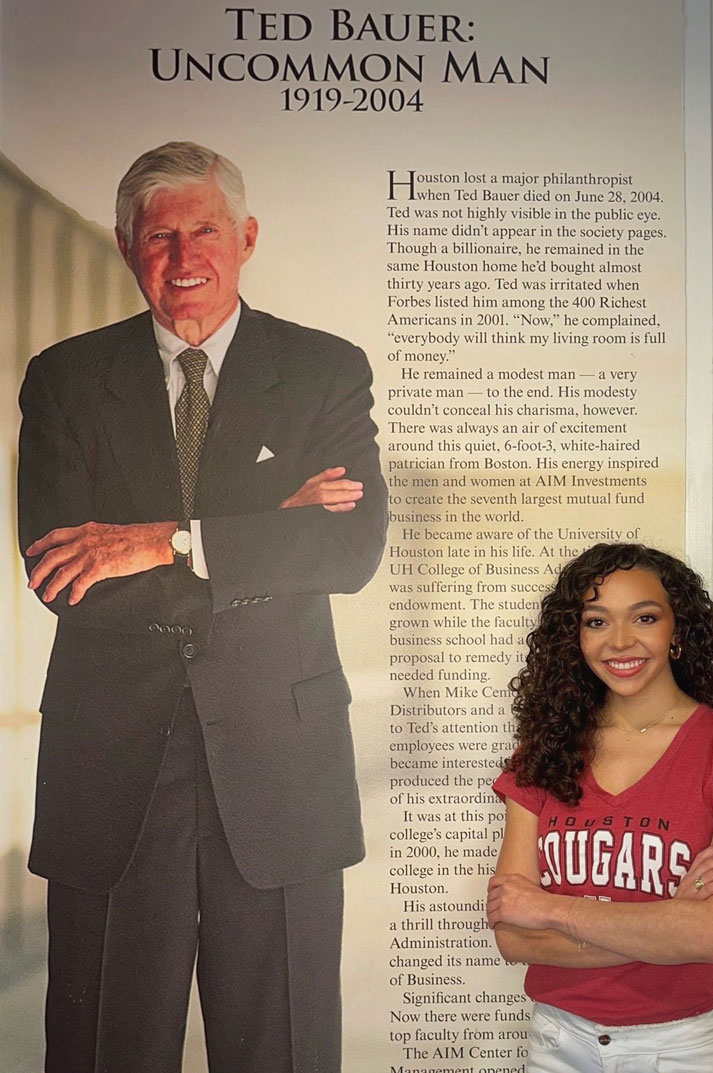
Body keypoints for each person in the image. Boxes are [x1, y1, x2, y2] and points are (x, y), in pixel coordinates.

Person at [17, 141, 387, 1073]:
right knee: (105, 1052)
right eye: (159, 235)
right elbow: (67, 576)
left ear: (247, 237)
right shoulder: (64, 380)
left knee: (285, 1053)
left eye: (206, 229)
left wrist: (161, 538)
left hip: (278, 768)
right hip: (111, 769)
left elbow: (345, 551)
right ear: (124, 245)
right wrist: (264, 531)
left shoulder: (323, 371)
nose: (184, 256)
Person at [487, 543, 713, 1072]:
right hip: (557, 1040)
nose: (620, 641)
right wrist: (666, 922)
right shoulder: (542, 752)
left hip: (683, 1046)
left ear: (678, 630)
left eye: (644, 618)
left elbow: (712, 935)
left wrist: (551, 910)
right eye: (596, 621)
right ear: (574, 638)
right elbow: (513, 937)